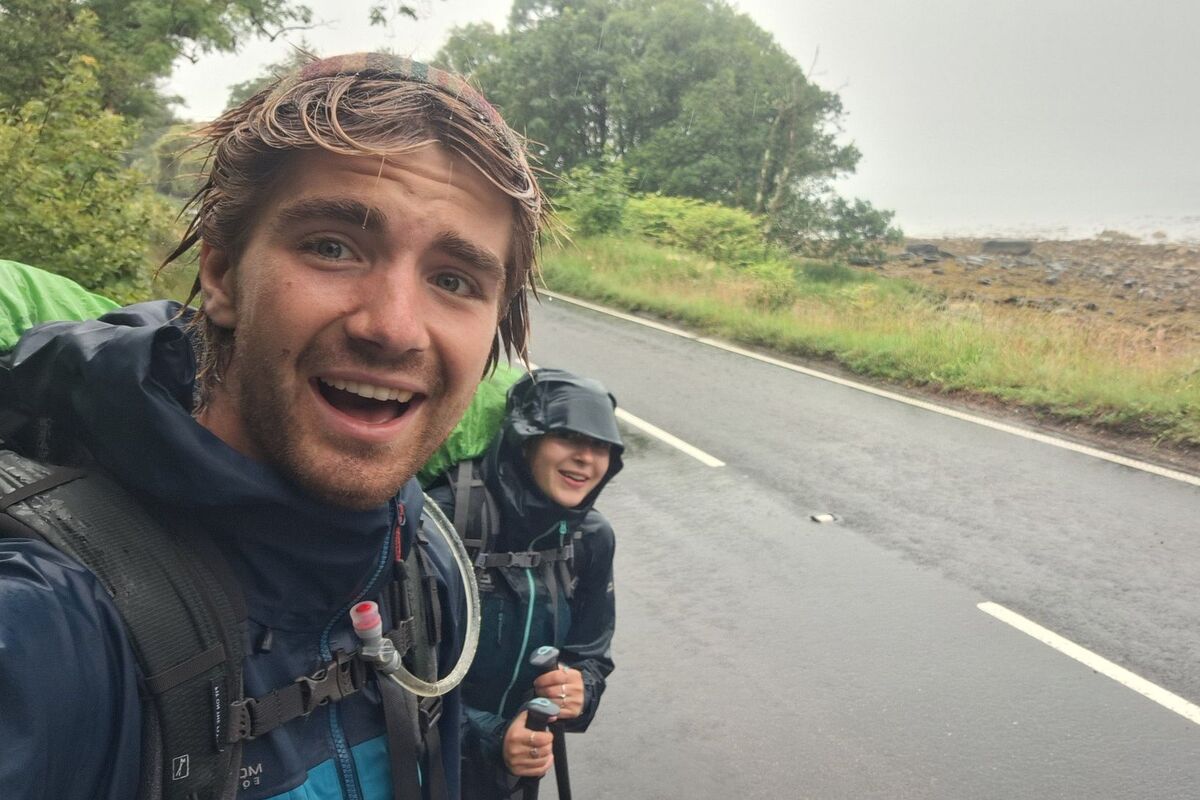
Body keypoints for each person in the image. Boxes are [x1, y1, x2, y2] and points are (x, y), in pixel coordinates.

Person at [0, 53, 546, 800]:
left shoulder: (423, 562)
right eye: (332, 246)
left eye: (454, 280)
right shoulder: (47, 627)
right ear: (223, 274)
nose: (393, 328)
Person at [426, 368, 623, 800]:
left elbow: (590, 653)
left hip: (517, 768)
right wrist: (491, 737)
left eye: (601, 446)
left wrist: (579, 689)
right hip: (423, 767)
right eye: (568, 438)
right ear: (526, 437)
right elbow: (397, 678)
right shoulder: (444, 520)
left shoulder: (589, 538)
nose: (586, 459)